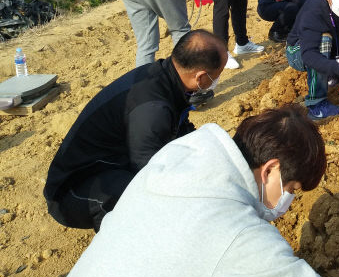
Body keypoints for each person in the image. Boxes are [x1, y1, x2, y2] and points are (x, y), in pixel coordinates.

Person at [56, 105, 339, 277]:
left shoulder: (179, 159)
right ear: (271, 170)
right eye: (292, 190)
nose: (288, 203)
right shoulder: (237, 242)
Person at [44, 30, 227, 232]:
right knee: (134, 194)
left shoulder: (164, 76)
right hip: (71, 194)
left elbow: (182, 133)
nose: (216, 80)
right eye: (216, 76)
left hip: (110, 161)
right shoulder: (153, 110)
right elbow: (148, 175)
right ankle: (118, 244)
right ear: (201, 78)